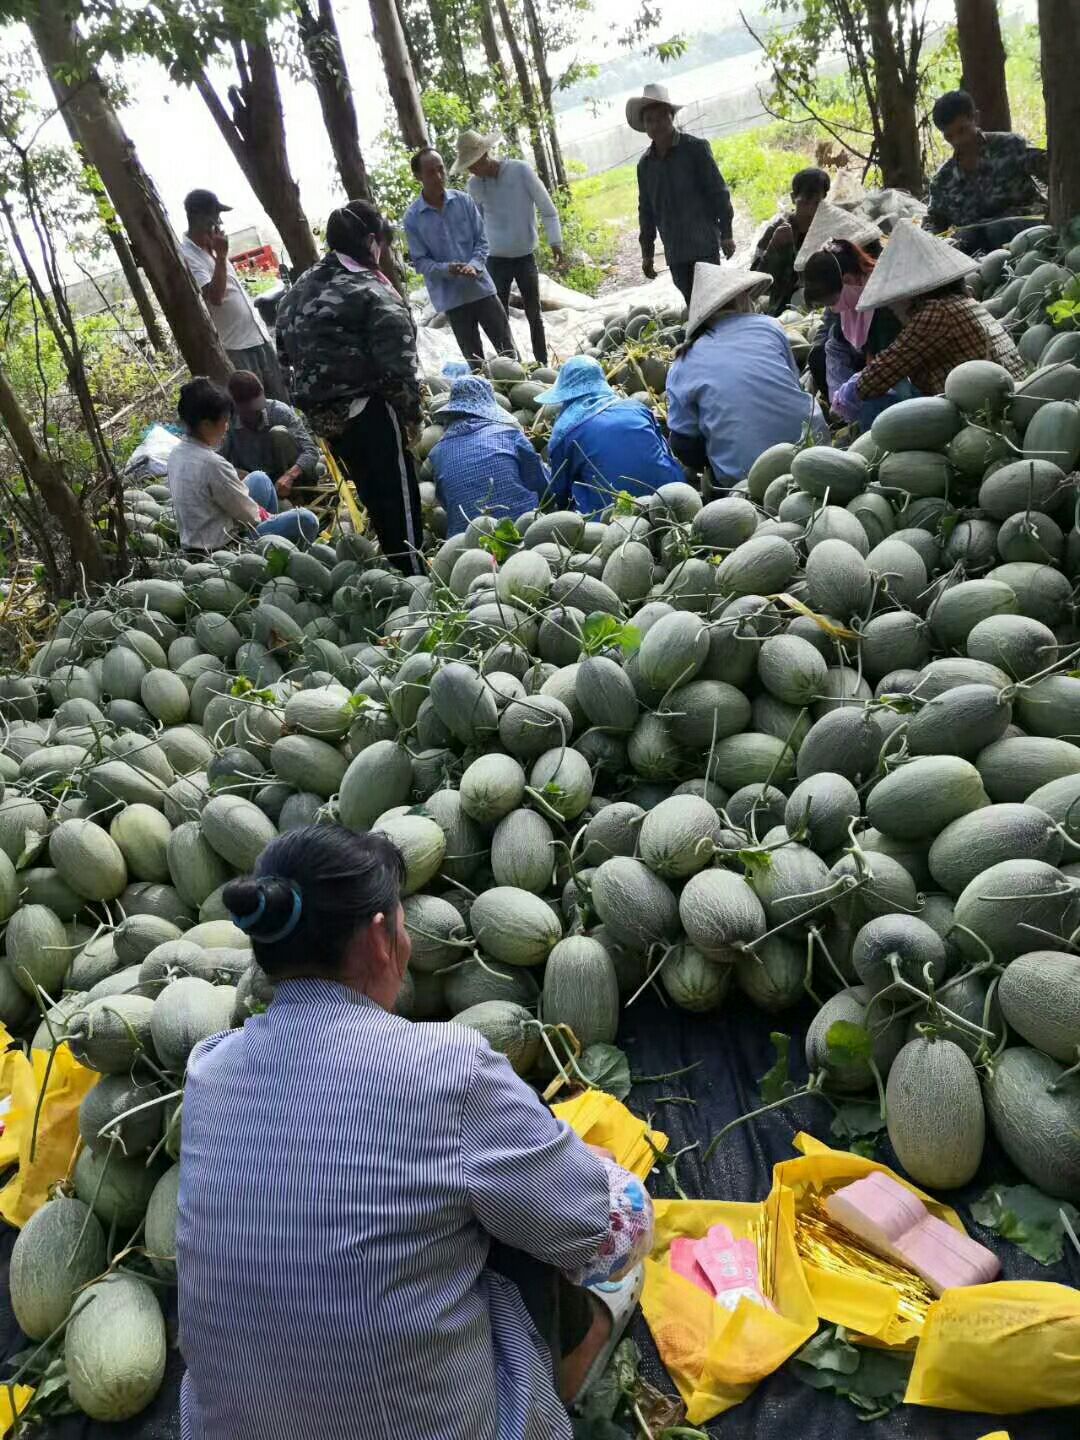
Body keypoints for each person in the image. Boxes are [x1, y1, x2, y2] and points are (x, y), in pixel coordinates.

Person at [177, 824, 653, 1440]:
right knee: (530, 1224)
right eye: (401, 922)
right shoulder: (448, 1067)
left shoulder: (208, 1070)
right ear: (381, 937)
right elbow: (619, 1234)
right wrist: (599, 1173)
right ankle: (570, 1365)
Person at [276, 200, 424, 575]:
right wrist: (412, 416)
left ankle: (394, 568)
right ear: (373, 242)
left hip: (326, 420)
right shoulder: (371, 289)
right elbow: (400, 363)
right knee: (398, 496)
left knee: (372, 491)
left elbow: (283, 354)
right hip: (369, 409)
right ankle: (416, 579)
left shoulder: (298, 289)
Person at [831, 220, 1025, 424]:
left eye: (894, 299)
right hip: (1002, 397)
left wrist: (849, 392)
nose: (892, 306)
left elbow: (884, 371)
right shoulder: (960, 301)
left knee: (873, 406)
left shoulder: (936, 313)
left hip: (990, 410)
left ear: (913, 293)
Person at [666, 265, 828, 489]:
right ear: (742, 300)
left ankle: (727, 477)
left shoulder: (682, 362)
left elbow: (684, 441)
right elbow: (792, 384)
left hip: (746, 480)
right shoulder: (770, 326)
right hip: (815, 451)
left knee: (685, 435)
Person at [167, 377, 319, 554]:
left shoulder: (176, 453)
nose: (226, 427)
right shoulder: (212, 463)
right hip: (226, 547)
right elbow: (250, 515)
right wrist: (272, 518)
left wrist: (289, 476)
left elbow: (311, 450)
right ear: (206, 424)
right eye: (223, 422)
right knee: (307, 519)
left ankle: (272, 546)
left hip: (201, 537)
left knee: (259, 478)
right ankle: (280, 553)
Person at [404, 147, 516, 370]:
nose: (438, 177)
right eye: (430, 173)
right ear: (418, 177)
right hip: (453, 299)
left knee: (508, 352)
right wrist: (448, 269)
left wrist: (475, 265)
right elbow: (420, 261)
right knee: (475, 362)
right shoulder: (413, 218)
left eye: (441, 170)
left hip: (482, 289)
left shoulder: (463, 201)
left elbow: (482, 241)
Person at [460, 129, 563, 367]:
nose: (471, 170)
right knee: (499, 316)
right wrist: (473, 260)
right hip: (495, 260)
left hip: (525, 256)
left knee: (534, 314)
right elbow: (476, 226)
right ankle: (512, 364)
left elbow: (547, 208)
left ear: (484, 156)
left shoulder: (520, 171)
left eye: (472, 164)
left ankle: (542, 363)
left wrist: (555, 242)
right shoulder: (474, 186)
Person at [536, 355, 686, 517]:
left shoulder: (564, 431)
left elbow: (559, 491)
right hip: (674, 498)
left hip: (614, 516)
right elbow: (663, 449)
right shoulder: (636, 407)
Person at [629, 83, 735, 307]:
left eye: (660, 118)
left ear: (671, 117)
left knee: (715, 302)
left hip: (703, 243)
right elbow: (646, 211)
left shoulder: (695, 149)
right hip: (675, 250)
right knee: (693, 305)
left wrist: (727, 233)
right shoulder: (645, 165)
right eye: (650, 120)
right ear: (644, 126)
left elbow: (718, 192)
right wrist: (647, 253)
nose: (656, 125)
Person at [179, 189, 287, 400]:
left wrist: (218, 254)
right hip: (236, 345)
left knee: (281, 398)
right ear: (198, 216)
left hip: (257, 335)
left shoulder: (213, 245)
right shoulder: (188, 255)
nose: (218, 221)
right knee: (256, 405)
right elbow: (215, 297)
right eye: (214, 215)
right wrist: (221, 256)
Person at [924, 90, 1047, 253]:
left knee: (997, 230)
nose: (958, 141)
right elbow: (933, 222)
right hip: (980, 252)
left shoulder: (1011, 146)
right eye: (949, 137)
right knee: (966, 238)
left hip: (1029, 238)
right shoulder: (943, 180)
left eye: (962, 130)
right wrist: (931, 241)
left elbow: (1055, 174)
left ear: (975, 118)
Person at [430, 376, 552, 535]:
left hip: (468, 543)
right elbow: (543, 484)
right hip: (523, 531)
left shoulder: (436, 454)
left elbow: (447, 502)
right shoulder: (510, 435)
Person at [801, 240, 903, 424]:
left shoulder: (886, 304)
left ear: (847, 280)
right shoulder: (852, 298)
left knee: (870, 409)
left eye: (831, 303)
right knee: (819, 354)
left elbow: (887, 363)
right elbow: (835, 347)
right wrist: (837, 393)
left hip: (900, 374)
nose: (832, 309)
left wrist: (852, 391)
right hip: (874, 369)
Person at [221, 371, 321, 507]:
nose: (255, 415)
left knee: (279, 433)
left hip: (291, 479)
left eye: (258, 409)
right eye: (249, 412)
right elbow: (217, 462)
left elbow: (311, 451)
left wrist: (290, 476)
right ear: (236, 406)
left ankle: (300, 496)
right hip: (260, 484)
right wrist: (240, 474)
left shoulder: (279, 411)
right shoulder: (227, 422)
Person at [750, 168, 832, 317]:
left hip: (822, 302)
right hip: (782, 302)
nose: (811, 210)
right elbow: (756, 278)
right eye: (805, 202)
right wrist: (775, 247)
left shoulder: (828, 229)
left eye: (817, 203)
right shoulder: (777, 230)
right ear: (793, 198)